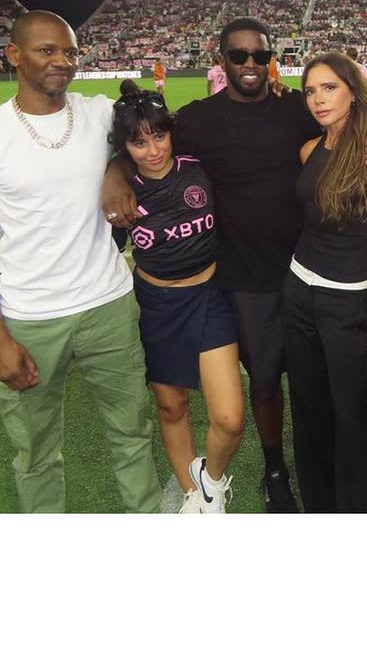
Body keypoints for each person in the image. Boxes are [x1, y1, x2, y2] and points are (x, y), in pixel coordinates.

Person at [103, 17, 367, 513]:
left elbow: (345, 119)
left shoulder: (297, 111)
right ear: (222, 61)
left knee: (323, 384)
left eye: (260, 56)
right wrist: (116, 170)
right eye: (239, 56)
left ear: (272, 60)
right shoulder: (197, 119)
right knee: (263, 383)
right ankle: (275, 468)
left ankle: (346, 478)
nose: (251, 65)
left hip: (310, 271)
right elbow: (145, 140)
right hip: (245, 279)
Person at [0, 11, 160, 513]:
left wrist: (116, 168)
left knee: (132, 433)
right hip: (28, 318)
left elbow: (149, 128)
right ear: (14, 55)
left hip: (107, 305)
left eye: (69, 51)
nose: (62, 62)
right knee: (35, 452)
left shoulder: (95, 113)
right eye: (47, 50)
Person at [110, 81, 244, 513]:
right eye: (138, 142)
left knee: (229, 418)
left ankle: (211, 480)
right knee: (172, 407)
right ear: (124, 146)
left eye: (159, 136)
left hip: (208, 296)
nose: (152, 150)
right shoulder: (121, 189)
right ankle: (195, 497)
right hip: (156, 305)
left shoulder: (198, 168)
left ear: (171, 133)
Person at [283, 53, 367, 512]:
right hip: (296, 291)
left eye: (329, 87)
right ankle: (320, 503)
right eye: (311, 90)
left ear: (353, 89)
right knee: (308, 405)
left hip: (347, 299)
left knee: (349, 410)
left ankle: (359, 503)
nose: (318, 99)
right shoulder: (309, 150)